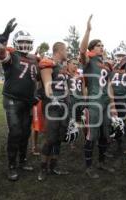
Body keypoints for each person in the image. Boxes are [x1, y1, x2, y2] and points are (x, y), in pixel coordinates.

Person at [0, 18, 39, 181]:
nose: (26, 44)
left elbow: (33, 79)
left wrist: (35, 94)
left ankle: (22, 160)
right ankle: (11, 166)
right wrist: (4, 35)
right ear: (15, 42)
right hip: (12, 99)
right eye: (22, 41)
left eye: (28, 42)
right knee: (15, 132)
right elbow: (0, 53)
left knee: (25, 132)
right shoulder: (12, 55)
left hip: (28, 101)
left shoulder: (34, 59)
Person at [80, 15, 116, 179]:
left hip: (105, 102)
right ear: (92, 48)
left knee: (104, 135)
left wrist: (113, 104)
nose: (102, 47)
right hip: (94, 102)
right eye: (99, 45)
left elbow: (109, 85)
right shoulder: (89, 60)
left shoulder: (107, 64)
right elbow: (81, 50)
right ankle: (88, 167)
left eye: (102, 45)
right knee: (92, 135)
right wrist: (88, 30)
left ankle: (101, 163)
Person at [37, 42, 70, 181]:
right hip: (53, 107)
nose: (67, 52)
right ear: (60, 50)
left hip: (64, 106)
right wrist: (53, 99)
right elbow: (47, 85)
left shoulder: (62, 67)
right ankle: (43, 169)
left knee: (59, 138)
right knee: (50, 139)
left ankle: (53, 166)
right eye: (66, 50)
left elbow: (65, 88)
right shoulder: (48, 63)